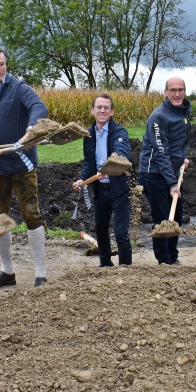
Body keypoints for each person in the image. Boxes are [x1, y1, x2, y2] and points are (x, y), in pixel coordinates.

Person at [0, 47, 50, 287]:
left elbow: (39, 107)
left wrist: (31, 130)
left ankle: (41, 273)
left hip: (21, 163)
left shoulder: (18, 88)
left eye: (2, 64)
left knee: (31, 215)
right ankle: (7, 271)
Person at [74, 94, 132, 267]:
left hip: (118, 189)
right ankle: (105, 264)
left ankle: (126, 268)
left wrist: (109, 169)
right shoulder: (88, 134)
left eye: (106, 107)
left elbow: (121, 154)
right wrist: (82, 179)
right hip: (100, 191)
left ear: (112, 112)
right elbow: (88, 162)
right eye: (99, 107)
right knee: (100, 229)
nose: (102, 110)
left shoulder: (119, 132)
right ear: (92, 110)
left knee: (121, 233)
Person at [138, 77, 191, 265]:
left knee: (176, 217)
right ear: (166, 92)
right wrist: (171, 183)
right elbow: (161, 152)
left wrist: (181, 158)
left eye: (181, 90)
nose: (177, 94)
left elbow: (175, 142)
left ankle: (173, 257)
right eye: (173, 90)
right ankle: (164, 261)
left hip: (171, 171)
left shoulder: (183, 111)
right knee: (162, 219)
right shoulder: (158, 117)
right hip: (153, 173)